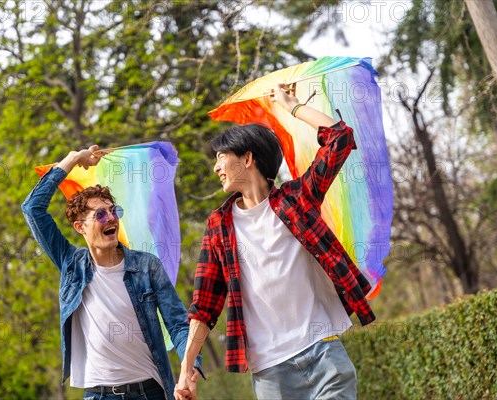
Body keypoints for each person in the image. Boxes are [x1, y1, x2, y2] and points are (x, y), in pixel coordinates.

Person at [175, 84, 375, 400]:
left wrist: (292, 106)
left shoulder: (296, 200)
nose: (216, 167)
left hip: (323, 352)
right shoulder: (220, 226)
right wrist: (186, 367)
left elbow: (340, 140)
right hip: (271, 373)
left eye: (221, 157)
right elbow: (205, 304)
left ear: (248, 158)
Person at [21, 145, 202, 400]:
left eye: (113, 211)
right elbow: (32, 209)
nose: (111, 219)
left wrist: (189, 368)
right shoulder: (73, 264)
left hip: (149, 392)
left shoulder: (146, 266)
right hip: (98, 395)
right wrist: (73, 159)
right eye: (100, 214)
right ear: (80, 227)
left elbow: (178, 325)